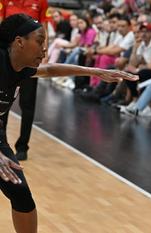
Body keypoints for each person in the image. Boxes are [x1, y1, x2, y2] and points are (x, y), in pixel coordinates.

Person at [0, 14, 137, 233]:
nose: (44, 49)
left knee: (21, 193)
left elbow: (49, 69)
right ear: (19, 41)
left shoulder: (20, 67)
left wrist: (94, 71)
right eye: (39, 40)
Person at [0, 0, 51, 161]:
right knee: (3, 103)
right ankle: (3, 142)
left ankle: (22, 147)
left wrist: (44, 52)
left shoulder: (41, 2)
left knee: (27, 104)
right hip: (10, 59)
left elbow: (44, 28)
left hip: (29, 58)